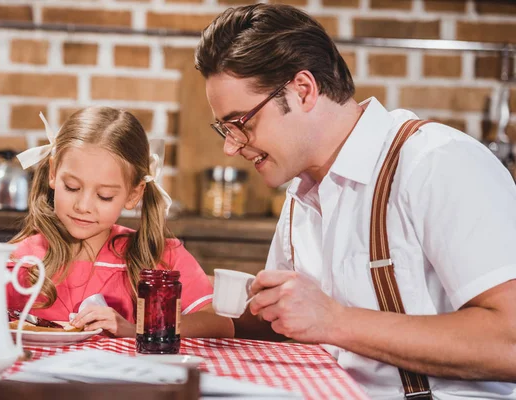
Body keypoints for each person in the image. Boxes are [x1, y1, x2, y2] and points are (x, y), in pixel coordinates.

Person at [195, 3, 516, 399]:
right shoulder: (301, 194)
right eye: (223, 129)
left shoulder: (436, 162)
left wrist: (335, 321)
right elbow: (282, 320)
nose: (231, 148)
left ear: (303, 90)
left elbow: (510, 342)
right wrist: (180, 306)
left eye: (241, 123)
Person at [0, 106, 234, 339]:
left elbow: (219, 324)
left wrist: (136, 328)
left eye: (104, 196)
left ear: (133, 195)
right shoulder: (18, 260)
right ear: (53, 173)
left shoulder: (160, 258)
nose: (83, 206)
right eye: (72, 188)